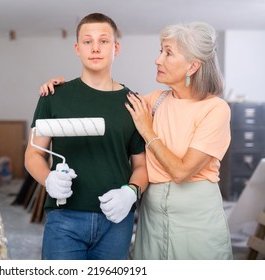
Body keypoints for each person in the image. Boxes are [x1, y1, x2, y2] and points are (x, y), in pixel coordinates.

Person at [39, 21, 233, 260]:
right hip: (153, 213)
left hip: (196, 214)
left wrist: (147, 131)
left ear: (192, 66)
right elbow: (108, 102)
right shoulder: (152, 102)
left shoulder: (215, 109)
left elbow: (182, 171)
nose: (158, 60)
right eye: (160, 51)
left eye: (168, 53)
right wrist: (64, 89)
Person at [24, 13, 148, 260]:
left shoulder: (133, 103)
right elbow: (33, 154)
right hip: (63, 219)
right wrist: (48, 179)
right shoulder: (54, 96)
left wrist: (130, 192)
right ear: (77, 48)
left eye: (103, 41)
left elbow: (142, 165)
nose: (95, 48)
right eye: (87, 41)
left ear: (116, 48)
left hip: (116, 221)